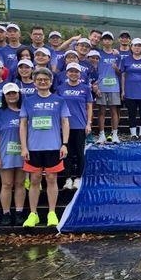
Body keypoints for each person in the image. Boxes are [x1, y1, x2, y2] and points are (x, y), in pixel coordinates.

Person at [19, 67, 70, 227]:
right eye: (39, 80)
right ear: (34, 82)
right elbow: (23, 124)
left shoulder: (59, 101)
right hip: (33, 147)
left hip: (53, 146)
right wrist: (24, 147)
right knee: (34, 180)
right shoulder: (28, 101)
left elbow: (65, 122)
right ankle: (33, 214)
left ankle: (52, 213)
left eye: (46, 79)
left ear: (51, 81)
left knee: (51, 179)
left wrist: (64, 144)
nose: (42, 82)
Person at [0, 82, 27, 226]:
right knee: (6, 184)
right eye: (8, 94)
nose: (11, 96)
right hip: (6, 154)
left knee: (20, 183)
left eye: (14, 93)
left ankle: (19, 212)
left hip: (23, 153)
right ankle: (6, 213)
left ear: (19, 94)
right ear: (4, 96)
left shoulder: (25, 111)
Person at [57, 63, 93, 192]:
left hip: (80, 125)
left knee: (79, 153)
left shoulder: (85, 88)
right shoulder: (60, 88)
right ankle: (68, 178)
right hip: (64, 126)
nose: (73, 74)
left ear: (80, 74)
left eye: (76, 72)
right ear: (67, 73)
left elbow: (89, 107)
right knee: (66, 152)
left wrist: (88, 123)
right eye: (71, 71)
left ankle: (78, 178)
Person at [120, 38, 141, 140]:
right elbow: (123, 75)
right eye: (135, 45)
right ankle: (133, 134)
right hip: (130, 92)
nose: (137, 48)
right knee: (132, 114)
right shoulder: (126, 60)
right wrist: (123, 90)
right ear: (131, 47)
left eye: (139, 46)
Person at [95, 32, 122, 144]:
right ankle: (101, 135)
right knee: (101, 111)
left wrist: (116, 69)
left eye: (109, 39)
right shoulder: (98, 54)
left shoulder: (117, 55)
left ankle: (114, 134)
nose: (107, 41)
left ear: (112, 41)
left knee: (114, 111)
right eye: (105, 39)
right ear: (102, 41)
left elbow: (121, 72)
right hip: (101, 87)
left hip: (114, 87)